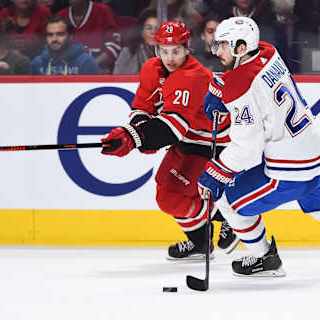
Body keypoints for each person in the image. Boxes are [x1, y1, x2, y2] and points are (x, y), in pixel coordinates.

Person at [197, 17, 320, 277]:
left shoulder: (239, 86)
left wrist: (216, 172)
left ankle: (265, 259)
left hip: (290, 169)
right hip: (318, 150)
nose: (217, 51)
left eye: (223, 45)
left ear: (241, 47)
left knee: (226, 198)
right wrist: (224, 86)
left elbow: (248, 147)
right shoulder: (269, 51)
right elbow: (253, 80)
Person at [100, 21, 239, 260]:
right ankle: (200, 244)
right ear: (156, 50)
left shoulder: (194, 76)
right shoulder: (151, 68)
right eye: (164, 51)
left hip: (214, 143)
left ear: (187, 48)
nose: (170, 57)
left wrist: (135, 138)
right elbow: (143, 107)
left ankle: (229, 214)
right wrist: (131, 132)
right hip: (187, 139)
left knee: (184, 193)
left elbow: (172, 126)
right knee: (167, 197)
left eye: (176, 51)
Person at [56, 0, 121, 73]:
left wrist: (90, 66)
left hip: (99, 75)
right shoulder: (61, 16)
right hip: (68, 75)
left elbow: (113, 48)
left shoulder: (103, 11)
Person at [29, 15, 99, 75]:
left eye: (60, 34)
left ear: (70, 37)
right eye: (50, 35)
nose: (54, 39)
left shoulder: (86, 62)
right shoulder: (37, 63)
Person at [113, 9, 156, 75]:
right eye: (148, 28)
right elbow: (116, 79)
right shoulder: (128, 52)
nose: (153, 32)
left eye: (157, 28)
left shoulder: (170, 53)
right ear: (141, 31)